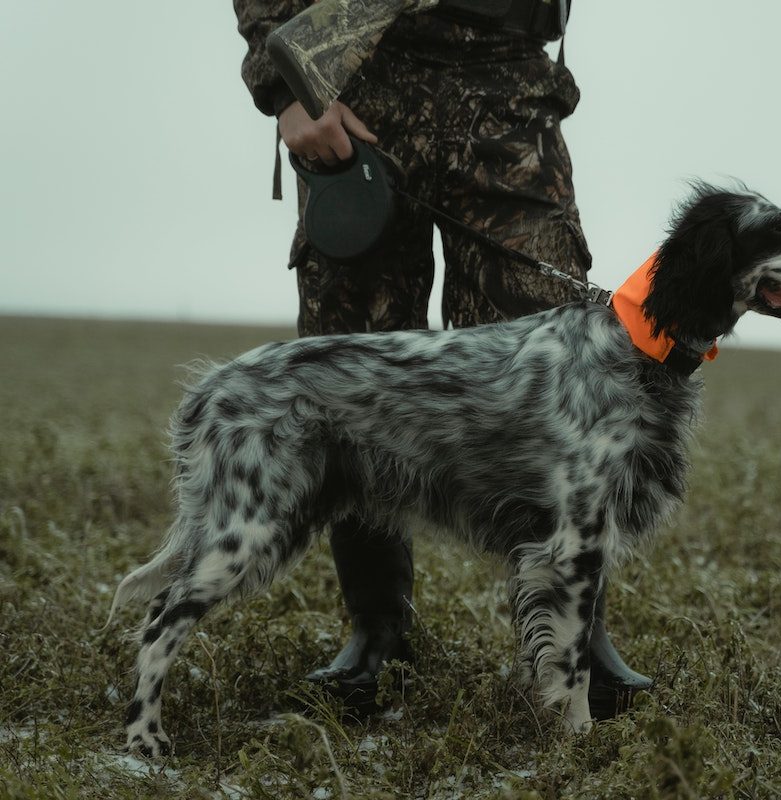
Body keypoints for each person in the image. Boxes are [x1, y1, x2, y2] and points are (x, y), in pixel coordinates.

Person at [232, 0, 651, 719]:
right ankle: (377, 635)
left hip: (507, 81)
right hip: (358, 75)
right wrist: (286, 89)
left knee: (557, 377)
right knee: (355, 377)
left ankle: (577, 641)